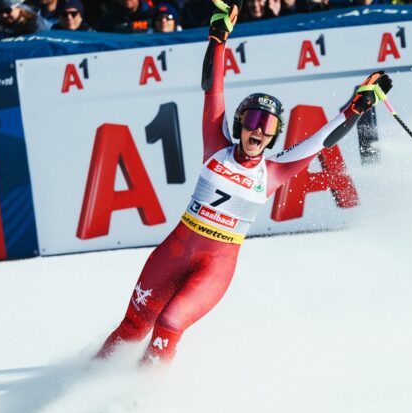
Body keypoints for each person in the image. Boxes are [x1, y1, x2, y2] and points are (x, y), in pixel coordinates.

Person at [95, 0, 392, 368]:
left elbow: (322, 139)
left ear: (274, 137)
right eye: (252, 120)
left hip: (215, 267)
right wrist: (218, 37)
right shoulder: (215, 144)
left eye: (268, 127)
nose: (258, 131)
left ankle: (135, 396)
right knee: (134, 324)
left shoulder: (274, 170)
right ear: (239, 123)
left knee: (170, 323)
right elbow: (212, 87)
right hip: (174, 251)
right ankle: (87, 378)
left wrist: (357, 107)